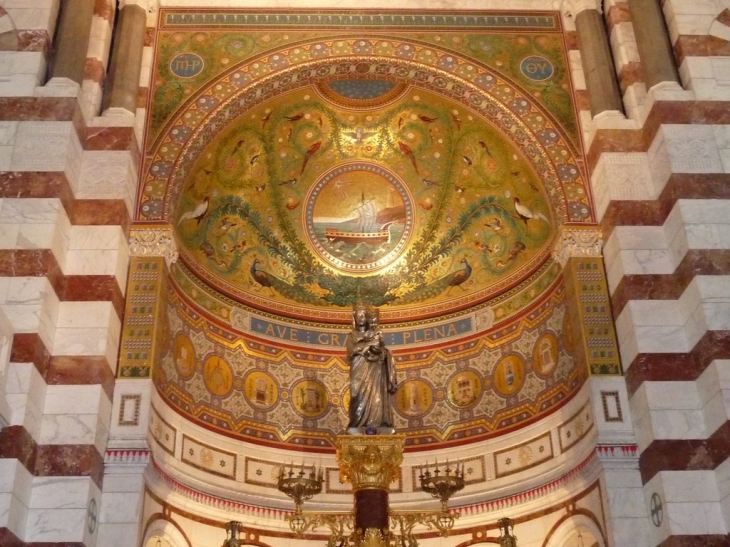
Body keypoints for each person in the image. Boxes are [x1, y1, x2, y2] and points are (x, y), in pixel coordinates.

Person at [346, 304, 397, 434]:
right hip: (358, 368)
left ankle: (375, 422)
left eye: (364, 315)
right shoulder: (352, 335)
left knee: (376, 394)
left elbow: (381, 350)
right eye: (359, 315)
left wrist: (380, 351)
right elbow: (352, 351)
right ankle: (358, 422)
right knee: (356, 394)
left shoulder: (375, 333)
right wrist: (369, 344)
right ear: (354, 318)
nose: (361, 318)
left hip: (375, 369)